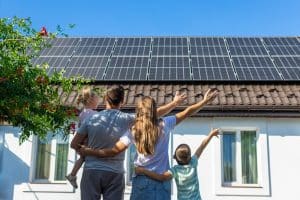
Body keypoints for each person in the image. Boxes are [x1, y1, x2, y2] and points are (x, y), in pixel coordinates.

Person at [79, 88, 218, 200]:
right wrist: (204, 101)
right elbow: (187, 112)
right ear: (154, 110)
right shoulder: (166, 123)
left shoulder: (134, 130)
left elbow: (114, 151)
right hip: (162, 183)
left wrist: (89, 151)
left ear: (139, 111)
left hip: (141, 182)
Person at [135, 128, 220, 200]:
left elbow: (161, 177)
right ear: (189, 156)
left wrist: (143, 170)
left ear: (175, 158)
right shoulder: (193, 163)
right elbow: (202, 146)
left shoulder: (175, 170)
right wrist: (211, 134)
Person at [66, 86, 100, 189]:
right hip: (87, 141)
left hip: (81, 140)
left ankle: (72, 174)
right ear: (91, 100)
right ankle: (72, 175)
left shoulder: (83, 113)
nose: (98, 101)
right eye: (97, 99)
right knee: (86, 157)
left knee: (82, 158)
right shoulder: (93, 114)